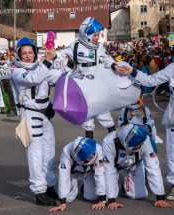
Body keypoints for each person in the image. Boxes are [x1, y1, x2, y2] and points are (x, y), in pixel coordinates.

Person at [11, 37, 63, 206]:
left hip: (45, 114)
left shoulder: (40, 67)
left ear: (35, 52)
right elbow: (33, 78)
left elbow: (56, 76)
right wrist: (47, 62)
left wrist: (69, 63)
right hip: (31, 115)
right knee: (36, 154)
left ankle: (49, 185)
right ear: (18, 55)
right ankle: (39, 192)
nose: (28, 56)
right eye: (24, 53)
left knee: (49, 153)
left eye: (30, 52)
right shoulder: (18, 72)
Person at [53, 17, 123, 139]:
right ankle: (89, 140)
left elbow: (106, 59)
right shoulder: (75, 46)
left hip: (97, 82)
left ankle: (114, 138)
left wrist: (115, 65)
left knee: (102, 110)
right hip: (83, 83)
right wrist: (53, 55)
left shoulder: (99, 47)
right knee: (86, 111)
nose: (97, 38)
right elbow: (61, 54)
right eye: (95, 35)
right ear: (86, 34)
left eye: (98, 35)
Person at [114, 61, 174, 200]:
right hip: (173, 117)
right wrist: (132, 72)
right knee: (172, 152)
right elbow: (150, 80)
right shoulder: (172, 68)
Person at [101, 124, 168, 209]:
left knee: (138, 195)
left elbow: (153, 167)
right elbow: (108, 170)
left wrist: (160, 197)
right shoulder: (108, 142)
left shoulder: (144, 139)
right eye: (138, 143)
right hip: (112, 165)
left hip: (133, 164)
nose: (142, 144)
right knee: (101, 196)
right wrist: (112, 200)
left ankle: (125, 186)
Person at [49, 137, 106, 212]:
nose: (93, 156)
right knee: (68, 198)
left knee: (92, 198)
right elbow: (63, 177)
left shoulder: (97, 148)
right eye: (89, 156)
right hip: (72, 172)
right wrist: (62, 203)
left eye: (93, 153)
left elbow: (100, 174)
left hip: (88, 171)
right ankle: (77, 187)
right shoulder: (66, 152)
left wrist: (102, 200)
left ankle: (85, 187)